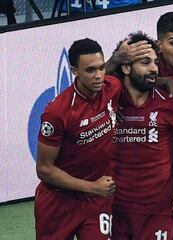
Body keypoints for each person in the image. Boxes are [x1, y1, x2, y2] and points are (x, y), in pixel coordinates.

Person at [108, 32, 173, 240]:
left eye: (155, 62)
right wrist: (113, 60)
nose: (154, 69)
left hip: (157, 212)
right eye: (145, 62)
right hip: (115, 210)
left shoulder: (171, 104)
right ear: (126, 67)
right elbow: (82, 87)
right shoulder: (107, 102)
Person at [34, 38, 121, 240]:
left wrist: (166, 82)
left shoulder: (112, 87)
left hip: (97, 201)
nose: (99, 76)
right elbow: (44, 169)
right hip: (58, 201)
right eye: (90, 70)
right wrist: (93, 187)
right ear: (74, 71)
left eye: (101, 68)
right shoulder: (57, 113)